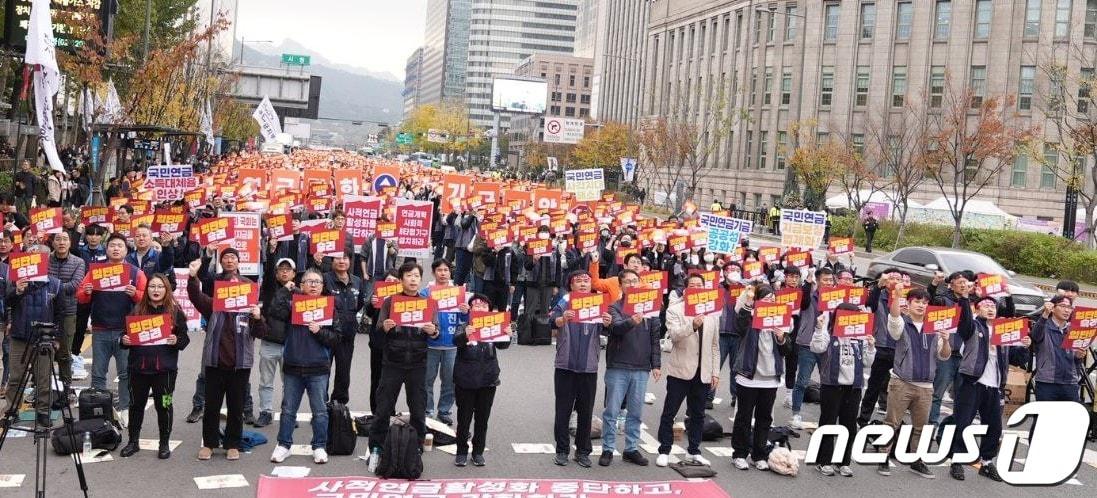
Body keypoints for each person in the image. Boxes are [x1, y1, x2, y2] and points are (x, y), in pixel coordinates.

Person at [186, 254, 266, 461]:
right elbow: (196, 297)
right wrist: (193, 277)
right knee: (211, 406)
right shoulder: (213, 306)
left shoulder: (250, 310)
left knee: (236, 406)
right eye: (228, 287)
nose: (234, 290)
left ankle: (233, 443)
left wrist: (257, 317)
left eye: (238, 287)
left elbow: (261, 331)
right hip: (215, 363)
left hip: (240, 365)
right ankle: (210, 444)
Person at [947, 295, 1029, 482]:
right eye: (985, 306)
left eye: (993, 306)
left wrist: (1024, 346)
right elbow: (964, 322)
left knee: (994, 427)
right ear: (977, 309)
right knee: (963, 422)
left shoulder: (1003, 330)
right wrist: (965, 300)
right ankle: (957, 461)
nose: (990, 308)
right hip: (972, 382)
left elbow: (1016, 358)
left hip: (995, 386)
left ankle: (986, 462)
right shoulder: (973, 327)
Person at [268, 269, 343, 465]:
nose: (313, 285)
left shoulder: (329, 307)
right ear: (301, 285)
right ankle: (284, 445)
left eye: (317, 282)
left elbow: (337, 338)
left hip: (318, 367)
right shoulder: (293, 304)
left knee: (319, 411)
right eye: (309, 281)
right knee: (288, 409)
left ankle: (319, 446)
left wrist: (319, 332)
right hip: (293, 365)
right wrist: (285, 290)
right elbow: (274, 310)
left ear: (322, 286)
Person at [878, 284, 952, 478]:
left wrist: (946, 340)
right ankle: (883, 457)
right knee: (892, 422)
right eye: (917, 302)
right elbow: (893, 317)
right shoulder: (902, 322)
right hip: (901, 381)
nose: (921, 305)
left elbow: (944, 356)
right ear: (908, 304)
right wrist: (897, 295)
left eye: (925, 302)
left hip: (926, 386)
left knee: (921, 427)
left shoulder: (934, 328)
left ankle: (916, 460)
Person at [368, 262, 439, 461]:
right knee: (383, 408)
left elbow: (436, 331)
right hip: (393, 362)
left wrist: (433, 331)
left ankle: (415, 450)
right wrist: (385, 327)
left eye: (416, 276)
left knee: (418, 409)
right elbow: (378, 332)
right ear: (401, 280)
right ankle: (376, 449)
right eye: (409, 275)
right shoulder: (390, 302)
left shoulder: (427, 303)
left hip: (418, 362)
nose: (413, 279)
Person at [118, 273, 190, 459]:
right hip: (138, 369)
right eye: (152, 286)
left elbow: (185, 338)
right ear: (147, 289)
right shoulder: (136, 311)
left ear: (166, 289)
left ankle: (164, 443)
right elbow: (124, 336)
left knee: (164, 405)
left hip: (164, 371)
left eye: (160, 287)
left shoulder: (175, 312)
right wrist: (123, 340)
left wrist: (177, 340)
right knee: (136, 406)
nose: (156, 290)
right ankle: (133, 441)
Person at [76, 232, 147, 420]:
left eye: (120, 246)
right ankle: (99, 410)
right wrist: (87, 292)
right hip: (100, 330)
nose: (116, 249)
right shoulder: (96, 271)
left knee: (126, 373)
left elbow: (147, 299)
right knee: (98, 374)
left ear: (126, 250)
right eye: (112, 245)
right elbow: (81, 296)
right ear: (106, 249)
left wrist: (136, 294)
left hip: (126, 332)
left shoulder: (135, 272)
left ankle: (125, 408)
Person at [655, 273, 718, 468]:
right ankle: (665, 449)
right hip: (681, 369)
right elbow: (673, 335)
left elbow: (715, 345)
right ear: (686, 288)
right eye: (693, 285)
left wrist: (715, 371)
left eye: (700, 285)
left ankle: (694, 451)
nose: (697, 288)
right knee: (670, 412)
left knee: (698, 414)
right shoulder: (676, 309)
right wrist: (692, 324)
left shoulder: (713, 312)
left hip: (703, 371)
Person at [549, 270, 611, 468]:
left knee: (586, 410)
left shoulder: (598, 302)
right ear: (571, 285)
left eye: (586, 281)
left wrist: (608, 323)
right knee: (563, 410)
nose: (583, 284)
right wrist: (562, 319)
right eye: (579, 281)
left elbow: (608, 328)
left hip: (589, 365)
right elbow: (552, 322)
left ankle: (583, 451)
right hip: (565, 364)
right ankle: (562, 450)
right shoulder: (564, 302)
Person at [601, 269, 661, 467]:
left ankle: (631, 448)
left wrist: (656, 364)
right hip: (618, 364)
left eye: (635, 281)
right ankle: (608, 448)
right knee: (612, 410)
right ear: (621, 286)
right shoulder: (614, 307)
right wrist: (631, 321)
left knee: (635, 412)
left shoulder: (650, 308)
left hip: (641, 367)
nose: (631, 284)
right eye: (627, 282)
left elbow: (655, 338)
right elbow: (616, 329)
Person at [809, 303, 876, 477]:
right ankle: (823, 461)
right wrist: (819, 328)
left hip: (853, 388)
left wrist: (870, 346)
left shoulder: (860, 338)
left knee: (849, 425)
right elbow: (816, 347)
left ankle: (843, 462)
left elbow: (868, 363)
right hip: (832, 386)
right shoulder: (829, 335)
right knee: (828, 423)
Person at [729, 284, 792, 471]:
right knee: (744, 417)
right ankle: (739, 454)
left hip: (770, 378)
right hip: (749, 376)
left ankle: (759, 454)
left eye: (773, 299)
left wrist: (781, 338)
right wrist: (748, 303)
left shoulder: (781, 320)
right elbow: (739, 326)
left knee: (764, 418)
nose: (770, 302)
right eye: (766, 299)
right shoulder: (750, 318)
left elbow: (787, 350)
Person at [2, 245, 64, 428]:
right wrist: (18, 291)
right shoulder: (16, 281)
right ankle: (12, 411)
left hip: (44, 338)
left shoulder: (55, 283)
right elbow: (7, 303)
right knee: (15, 377)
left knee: (44, 377)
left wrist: (57, 338)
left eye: (40, 257)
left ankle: (43, 411)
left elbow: (60, 313)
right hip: (20, 336)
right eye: (31, 256)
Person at [451, 293, 510, 467]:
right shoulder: (464, 326)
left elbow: (502, 345)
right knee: (464, 418)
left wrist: (508, 334)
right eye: (476, 305)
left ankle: (478, 452)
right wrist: (465, 335)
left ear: (489, 310)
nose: (480, 308)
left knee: (482, 419)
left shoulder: (495, 324)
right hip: (465, 380)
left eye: (484, 305)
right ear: (470, 309)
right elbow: (456, 341)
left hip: (488, 379)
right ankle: (461, 452)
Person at [421, 259, 466, 425]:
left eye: (446, 270)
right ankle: (427, 411)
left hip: (452, 345)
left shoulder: (458, 292)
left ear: (450, 272)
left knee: (449, 381)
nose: (443, 273)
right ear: (433, 273)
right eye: (439, 270)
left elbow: (464, 320)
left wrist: (465, 312)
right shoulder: (426, 293)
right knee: (427, 380)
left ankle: (444, 411)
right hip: (430, 344)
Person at [789, 267, 833, 429]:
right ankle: (795, 414)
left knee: (828, 383)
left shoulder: (836, 298)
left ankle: (827, 416)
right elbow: (803, 300)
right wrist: (808, 281)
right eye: (825, 279)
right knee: (802, 381)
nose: (828, 282)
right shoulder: (809, 296)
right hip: (807, 344)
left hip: (828, 345)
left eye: (831, 280)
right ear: (818, 280)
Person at [254, 258, 296, 428]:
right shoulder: (269, 289)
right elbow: (269, 273)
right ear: (276, 273)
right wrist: (272, 251)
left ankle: (288, 413)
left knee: (290, 382)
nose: (284, 272)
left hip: (290, 344)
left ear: (294, 273)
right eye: (281, 269)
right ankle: (265, 412)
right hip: (269, 342)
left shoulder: (299, 292)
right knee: (266, 381)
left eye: (288, 269)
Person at [323, 253, 365, 406]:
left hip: (347, 334)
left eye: (345, 258)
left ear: (350, 261)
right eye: (338, 258)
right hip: (327, 333)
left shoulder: (357, 281)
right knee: (323, 372)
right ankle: (321, 403)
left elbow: (359, 304)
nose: (342, 261)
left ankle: (339, 405)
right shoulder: (325, 279)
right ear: (332, 261)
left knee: (343, 372)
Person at [48, 231, 86, 392]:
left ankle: (66, 387)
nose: (61, 242)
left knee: (64, 352)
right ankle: (42, 387)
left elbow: (74, 286)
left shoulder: (79, 262)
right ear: (53, 242)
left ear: (70, 243)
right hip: (45, 310)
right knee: (43, 353)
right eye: (58, 239)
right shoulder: (44, 260)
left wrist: (50, 288)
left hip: (68, 311)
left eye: (65, 239)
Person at [1030, 295, 1087, 401]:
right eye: (1062, 306)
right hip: (1047, 382)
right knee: (1046, 416)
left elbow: (1076, 359)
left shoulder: (1073, 330)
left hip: (1070, 383)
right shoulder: (1043, 326)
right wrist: (1045, 314)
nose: (1067, 310)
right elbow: (1035, 336)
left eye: (1069, 307)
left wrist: (1079, 356)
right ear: (1053, 308)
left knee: (1070, 416)